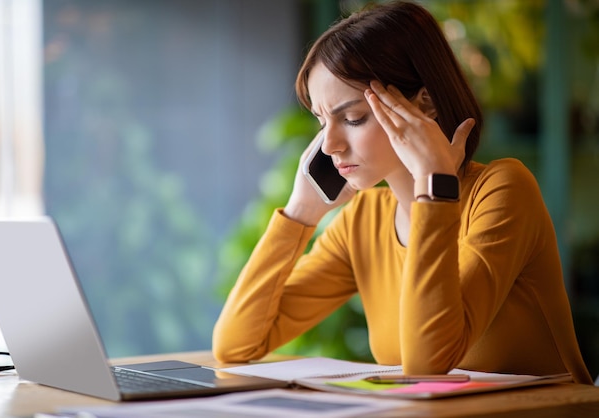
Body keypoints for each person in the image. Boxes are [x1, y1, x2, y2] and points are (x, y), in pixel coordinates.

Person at [212, 0, 593, 384]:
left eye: (353, 117)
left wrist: (435, 187)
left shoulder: (502, 190)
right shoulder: (365, 219)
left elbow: (429, 363)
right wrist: (300, 212)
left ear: (424, 103)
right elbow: (236, 344)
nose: (328, 145)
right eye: (322, 120)